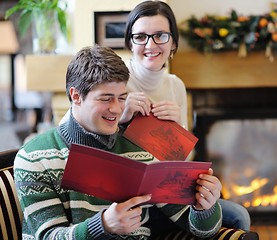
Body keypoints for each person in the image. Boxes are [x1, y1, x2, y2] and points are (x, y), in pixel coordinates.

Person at [14, 45, 223, 239]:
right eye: (106, 99)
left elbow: (200, 230)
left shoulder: (142, 148)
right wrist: (103, 225)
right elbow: (48, 237)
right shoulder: (35, 157)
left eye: (122, 98)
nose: (116, 109)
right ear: (76, 96)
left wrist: (204, 207)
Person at [120, 0, 251, 230]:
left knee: (238, 216)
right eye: (141, 36)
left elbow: (183, 160)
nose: (150, 45)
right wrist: (122, 116)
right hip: (128, 197)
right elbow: (75, 131)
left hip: (167, 193)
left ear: (173, 42)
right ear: (130, 42)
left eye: (160, 35)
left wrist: (177, 126)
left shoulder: (175, 86)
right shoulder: (116, 80)